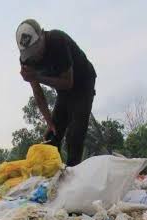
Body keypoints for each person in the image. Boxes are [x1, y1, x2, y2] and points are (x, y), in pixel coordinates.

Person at [16, 19, 96, 166]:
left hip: (83, 84)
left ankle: (74, 173)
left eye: (35, 49)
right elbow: (38, 93)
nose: (34, 56)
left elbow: (68, 82)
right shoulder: (27, 60)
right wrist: (49, 122)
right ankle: (54, 172)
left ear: (42, 36)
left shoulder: (57, 41)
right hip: (63, 91)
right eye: (29, 53)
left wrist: (37, 77)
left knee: (75, 135)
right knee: (52, 135)